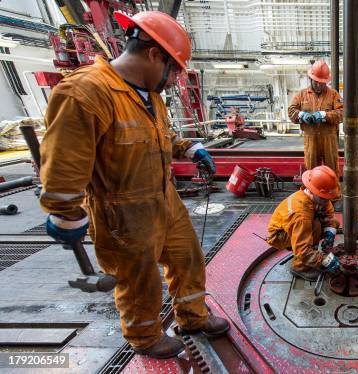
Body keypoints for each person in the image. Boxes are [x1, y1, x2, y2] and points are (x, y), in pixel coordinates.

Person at [39, 11, 228, 359]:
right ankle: (145, 337)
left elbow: (156, 138)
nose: (174, 81)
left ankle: (192, 317)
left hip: (163, 199)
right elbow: (63, 168)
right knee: (139, 280)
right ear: (155, 55)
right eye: (174, 70)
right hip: (121, 212)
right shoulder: (85, 93)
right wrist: (66, 215)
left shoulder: (147, 93)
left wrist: (190, 147)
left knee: (188, 258)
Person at [267, 165, 341, 281]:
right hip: (279, 235)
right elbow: (303, 250)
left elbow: (329, 216)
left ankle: (312, 253)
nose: (328, 201)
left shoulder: (318, 198)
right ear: (314, 191)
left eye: (329, 198)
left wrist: (329, 234)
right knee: (315, 226)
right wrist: (325, 260)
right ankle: (300, 267)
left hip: (298, 226)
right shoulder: (301, 214)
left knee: (333, 222)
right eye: (325, 198)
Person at [288, 60, 344, 174]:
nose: (319, 85)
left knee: (332, 171)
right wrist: (302, 115)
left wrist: (324, 115)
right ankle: (313, 191)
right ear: (311, 79)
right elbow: (291, 111)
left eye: (322, 83)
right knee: (312, 172)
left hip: (329, 140)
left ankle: (332, 191)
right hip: (311, 139)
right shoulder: (301, 95)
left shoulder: (333, 94)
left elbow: (342, 113)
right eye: (316, 82)